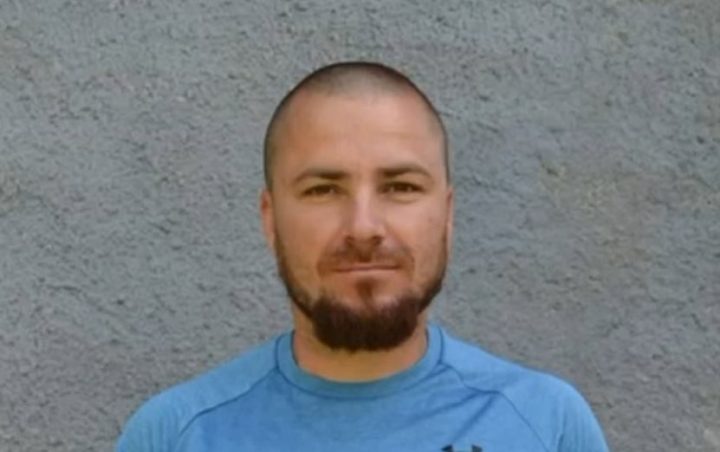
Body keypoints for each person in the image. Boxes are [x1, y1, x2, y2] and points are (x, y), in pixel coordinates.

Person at [116, 61, 609, 452]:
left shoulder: (546, 424)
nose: (364, 227)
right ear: (271, 219)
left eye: (401, 186)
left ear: (447, 213)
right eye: (323, 189)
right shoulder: (174, 435)